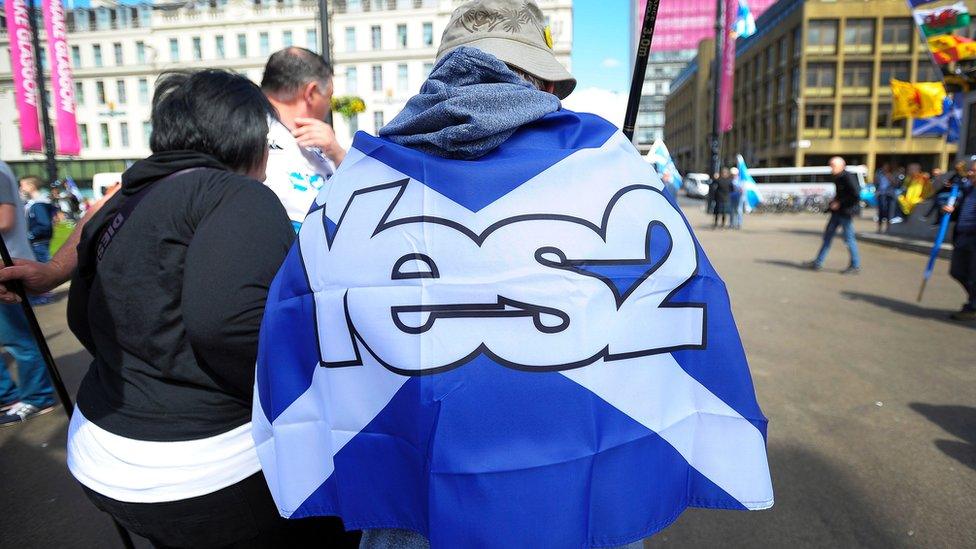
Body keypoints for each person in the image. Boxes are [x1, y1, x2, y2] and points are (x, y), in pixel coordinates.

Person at [254, 1, 772, 548]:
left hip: (413, 509)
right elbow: (687, 307)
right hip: (584, 505)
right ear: (544, 83)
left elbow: (297, 325)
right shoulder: (612, 171)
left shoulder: (352, 187)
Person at [60, 69, 355, 548]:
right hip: (205, 473)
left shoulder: (122, 203)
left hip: (102, 454)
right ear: (246, 139)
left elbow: (81, 317)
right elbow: (228, 328)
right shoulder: (239, 195)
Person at [261, 47, 345, 230]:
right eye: (328, 96)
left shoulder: (323, 143)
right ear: (311, 92)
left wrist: (338, 154)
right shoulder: (251, 130)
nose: (328, 106)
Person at [0, 161, 57, 426]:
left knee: (19, 340)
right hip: (8, 265)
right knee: (15, 338)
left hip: (7, 267)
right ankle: (8, 394)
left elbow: (5, 219)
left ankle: (38, 396)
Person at [804, 156, 861, 274]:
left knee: (849, 239)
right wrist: (833, 203)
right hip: (837, 213)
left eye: (833, 166)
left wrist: (840, 203)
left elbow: (855, 195)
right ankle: (818, 262)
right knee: (827, 237)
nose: (831, 168)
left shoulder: (848, 177)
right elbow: (840, 195)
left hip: (845, 213)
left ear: (841, 166)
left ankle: (855, 265)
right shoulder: (838, 177)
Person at [943, 163, 976, 321]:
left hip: (973, 237)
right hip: (962, 236)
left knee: (973, 274)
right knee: (957, 271)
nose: (970, 173)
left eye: (973, 171)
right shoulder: (969, 190)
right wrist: (952, 210)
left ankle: (973, 306)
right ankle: (974, 301)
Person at [19, 176, 56, 263]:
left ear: (32, 186)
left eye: (23, 185)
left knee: (43, 268)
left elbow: (45, 224)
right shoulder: (33, 202)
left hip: (38, 242)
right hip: (37, 241)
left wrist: (30, 234)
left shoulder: (39, 204)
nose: (21, 188)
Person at [874, 163, 896, 233]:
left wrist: (890, 178)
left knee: (888, 212)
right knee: (881, 211)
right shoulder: (879, 175)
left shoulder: (892, 175)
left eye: (886, 167)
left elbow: (895, 184)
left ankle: (888, 228)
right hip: (881, 194)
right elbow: (876, 183)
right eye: (884, 167)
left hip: (889, 195)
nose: (885, 169)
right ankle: (880, 228)